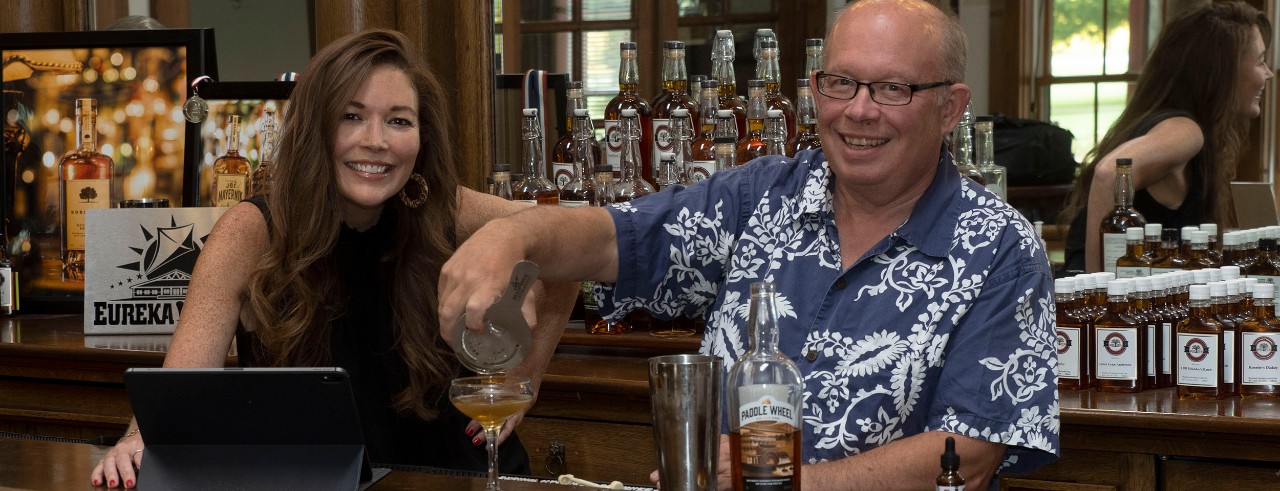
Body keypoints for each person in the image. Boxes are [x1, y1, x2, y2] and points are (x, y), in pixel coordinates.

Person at [438, 1, 1058, 489]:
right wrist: (512, 233)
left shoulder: (999, 249)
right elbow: (607, 238)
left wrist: (781, 481)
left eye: (893, 88)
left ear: (951, 108)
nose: (858, 111)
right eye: (840, 83)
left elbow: (970, 454)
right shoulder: (760, 198)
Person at [90, 29, 576, 489]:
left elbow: (572, 245)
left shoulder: (446, 209)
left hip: (459, 477)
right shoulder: (252, 229)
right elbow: (180, 392)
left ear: (422, 137)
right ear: (315, 128)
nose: (376, 140)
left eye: (399, 120)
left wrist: (523, 380)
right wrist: (135, 441)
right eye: (351, 116)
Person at [1060, 1, 1273, 273]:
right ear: (1223, 71)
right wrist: (1102, 295)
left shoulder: (1175, 126)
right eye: (1261, 61)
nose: (1268, 74)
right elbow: (1110, 174)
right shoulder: (1186, 131)